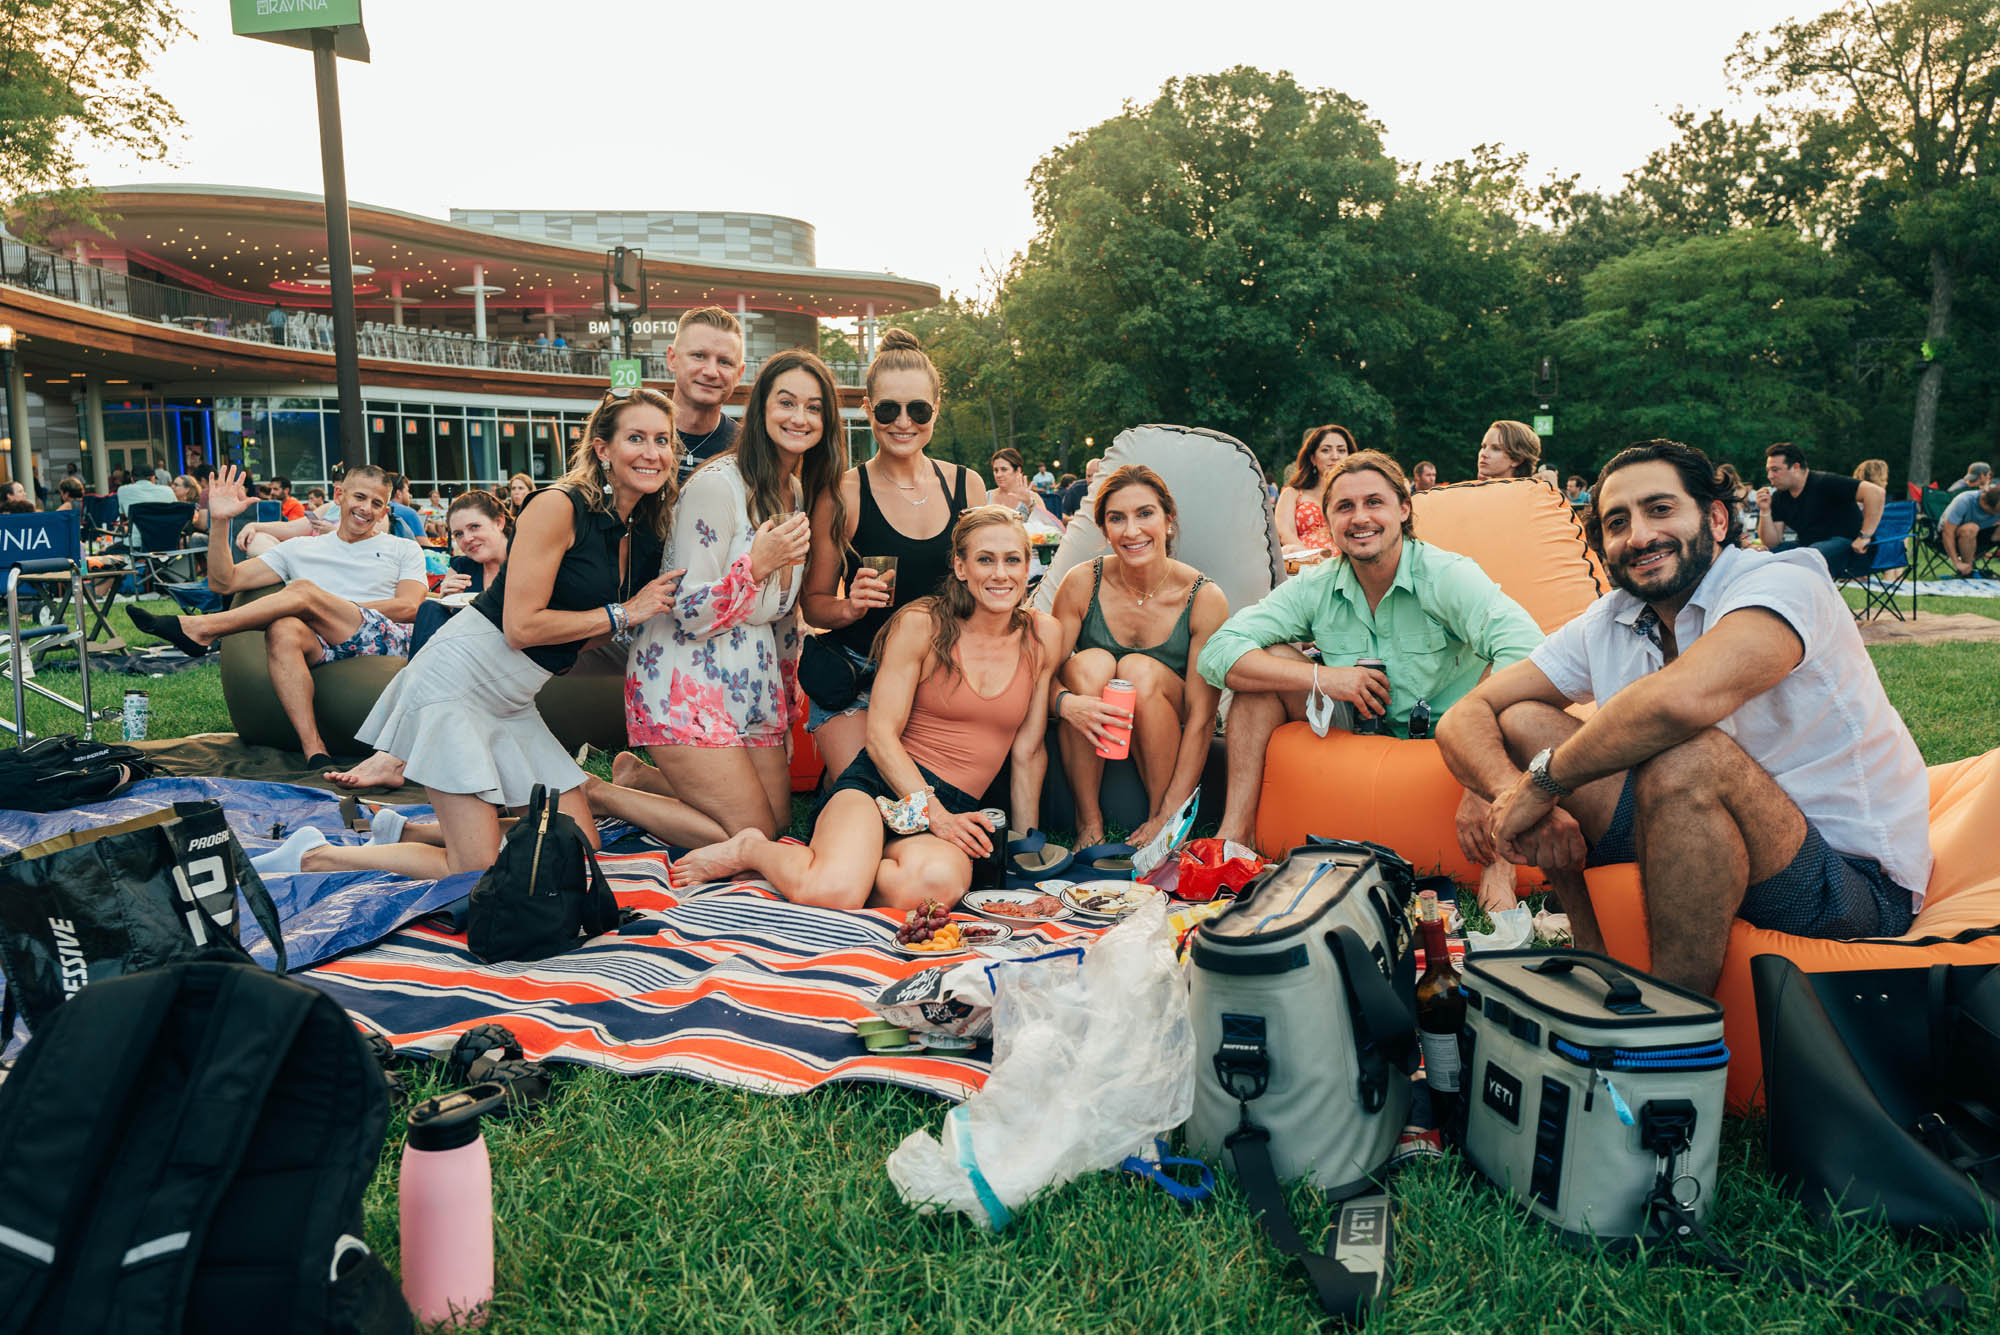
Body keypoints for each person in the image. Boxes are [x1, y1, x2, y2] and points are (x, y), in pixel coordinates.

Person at [1436, 439, 1929, 994]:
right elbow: (1464, 715)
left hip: (1846, 883)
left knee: (1689, 753)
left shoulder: (1784, 582)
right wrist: (1513, 792)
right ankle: (1590, 949)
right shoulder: (1612, 618)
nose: (1639, 535)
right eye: (1617, 522)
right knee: (1524, 719)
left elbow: (1680, 702)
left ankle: (1671, 1023)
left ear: (1716, 519)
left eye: (1660, 509)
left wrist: (1543, 783)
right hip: (1689, 827)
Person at [257, 390, 684, 879]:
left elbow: (585, 634)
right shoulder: (558, 505)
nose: (652, 453)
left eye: (662, 440)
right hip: (457, 685)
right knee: (475, 866)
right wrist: (624, 613)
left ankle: (402, 832)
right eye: (636, 438)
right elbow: (522, 628)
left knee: (576, 844)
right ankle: (314, 855)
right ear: (603, 449)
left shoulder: (638, 527)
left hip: (513, 698)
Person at [671, 507, 1062, 909]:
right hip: (882, 787)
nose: (1000, 574)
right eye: (985, 560)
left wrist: (1024, 846)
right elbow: (879, 737)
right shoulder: (923, 624)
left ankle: (842, 865)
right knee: (834, 893)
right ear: (961, 568)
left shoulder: (1043, 635)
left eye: (1012, 560)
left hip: (955, 805)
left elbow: (1029, 750)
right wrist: (934, 814)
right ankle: (751, 849)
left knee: (934, 887)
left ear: (1027, 566)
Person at [1197, 451, 1544, 851]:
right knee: (1262, 671)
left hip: (1452, 737)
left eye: (1374, 502)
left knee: (1520, 707)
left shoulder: (1446, 574)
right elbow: (1218, 651)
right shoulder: (1317, 585)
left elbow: (1526, 646)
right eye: (1345, 507)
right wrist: (1325, 677)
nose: (1360, 517)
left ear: (1404, 509)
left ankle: (1499, 871)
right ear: (1329, 521)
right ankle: (1234, 837)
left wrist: (1479, 766)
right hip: (1355, 729)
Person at [590, 350, 850, 844]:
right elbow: (687, 610)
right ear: (761, 409)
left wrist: (783, 706)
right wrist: (756, 565)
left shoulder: (796, 491)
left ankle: (639, 776)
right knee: (751, 832)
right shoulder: (717, 485)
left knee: (776, 823)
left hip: (751, 682)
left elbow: (784, 617)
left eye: (814, 407)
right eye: (786, 403)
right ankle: (601, 793)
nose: (799, 417)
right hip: (685, 681)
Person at [128, 463, 427, 768]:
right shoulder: (298, 549)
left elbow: (409, 606)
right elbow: (223, 582)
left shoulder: (403, 549)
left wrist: (326, 606)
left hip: (384, 640)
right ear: (339, 495)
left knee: (303, 592)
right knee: (283, 628)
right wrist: (220, 522)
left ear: (385, 510)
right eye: (359, 497)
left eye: (377, 503)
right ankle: (315, 751)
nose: (366, 509)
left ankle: (203, 629)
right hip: (320, 644)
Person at [799, 328, 988, 783]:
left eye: (918, 409)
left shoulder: (968, 486)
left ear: (936, 410)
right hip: (859, 673)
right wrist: (850, 606)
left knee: (935, 794)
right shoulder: (843, 493)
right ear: (868, 410)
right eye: (888, 409)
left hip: (940, 677)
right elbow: (813, 604)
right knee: (873, 797)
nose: (904, 422)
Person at [1049, 465, 1228, 849]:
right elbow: (1040, 675)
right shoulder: (1081, 582)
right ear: (1104, 529)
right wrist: (1066, 703)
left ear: (1168, 520)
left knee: (1136, 670)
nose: (1132, 531)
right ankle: (1088, 822)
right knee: (1090, 663)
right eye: (1117, 518)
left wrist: (1170, 812)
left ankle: (1160, 822)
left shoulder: (1204, 597)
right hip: (1094, 717)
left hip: (1169, 715)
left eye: (1145, 514)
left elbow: (1202, 716)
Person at [324, 490, 518, 790]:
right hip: (465, 651)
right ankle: (397, 753)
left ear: (499, 522)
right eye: (458, 533)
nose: (467, 539)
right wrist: (446, 595)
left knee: (431, 638)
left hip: (511, 647)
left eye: (474, 527)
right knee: (430, 608)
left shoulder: (522, 560)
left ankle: (393, 756)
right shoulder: (464, 565)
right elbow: (451, 614)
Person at [1756, 441, 1884, 579]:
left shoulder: (1825, 482)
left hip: (1851, 548)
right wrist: (1764, 511)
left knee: (1806, 557)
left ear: (1795, 467)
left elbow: (1876, 493)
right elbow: (1772, 543)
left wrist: (1865, 536)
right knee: (1764, 557)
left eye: (1775, 470)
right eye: (1768, 471)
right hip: (1809, 546)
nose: (1770, 476)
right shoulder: (1779, 497)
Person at [668, 306, 747, 484]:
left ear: (739, 374)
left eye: (725, 362)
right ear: (672, 359)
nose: (711, 372)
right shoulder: (634, 435)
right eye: (699, 356)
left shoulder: (747, 450)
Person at [1276, 424, 1354, 557]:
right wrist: (1312, 559)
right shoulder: (1292, 494)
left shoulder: (1356, 496)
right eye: (1326, 450)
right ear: (1313, 458)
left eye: (1341, 450)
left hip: (1347, 562)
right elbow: (1285, 532)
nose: (1335, 456)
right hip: (1305, 562)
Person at [989, 447, 1059, 528]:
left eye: (1004, 469)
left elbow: (1047, 527)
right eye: (995, 470)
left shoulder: (1032, 497)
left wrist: (1029, 503)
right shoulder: (986, 496)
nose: (998, 475)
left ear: (1018, 470)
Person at [1940, 483, 2000, 577]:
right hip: (1953, 537)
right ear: (1984, 504)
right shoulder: (1964, 500)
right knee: (1971, 528)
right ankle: (1968, 570)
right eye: (1996, 512)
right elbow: (1947, 532)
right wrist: (1957, 562)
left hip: (1980, 535)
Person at [383, 474, 427, 543]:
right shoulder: (409, 512)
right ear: (399, 493)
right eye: (407, 491)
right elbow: (424, 544)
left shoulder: (380, 509)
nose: (409, 495)